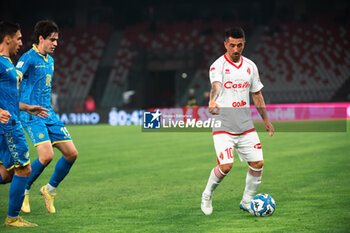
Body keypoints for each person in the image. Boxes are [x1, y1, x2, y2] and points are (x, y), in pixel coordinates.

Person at [200, 27, 274, 215]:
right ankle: (207, 194)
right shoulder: (218, 66)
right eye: (231, 45)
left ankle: (247, 202)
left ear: (244, 44)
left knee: (258, 164)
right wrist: (212, 99)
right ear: (225, 44)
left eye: (239, 45)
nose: (235, 49)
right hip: (223, 124)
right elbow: (216, 85)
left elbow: (257, 94)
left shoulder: (250, 66)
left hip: (245, 126)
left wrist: (266, 119)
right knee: (226, 166)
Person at [17, 20, 78, 214]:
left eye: (57, 40)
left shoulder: (50, 60)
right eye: (52, 39)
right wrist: (22, 106)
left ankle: (49, 190)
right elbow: (13, 79)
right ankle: (23, 190)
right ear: (41, 38)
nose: (56, 44)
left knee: (71, 153)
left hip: (48, 113)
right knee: (47, 155)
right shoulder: (28, 58)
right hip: (31, 114)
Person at [0, 20, 48, 227]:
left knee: (6, 173)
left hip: (12, 120)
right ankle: (12, 218)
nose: (21, 42)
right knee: (24, 170)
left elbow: (8, 98)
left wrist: (27, 107)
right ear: (7, 38)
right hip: (9, 126)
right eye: (18, 38)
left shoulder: (8, 63)